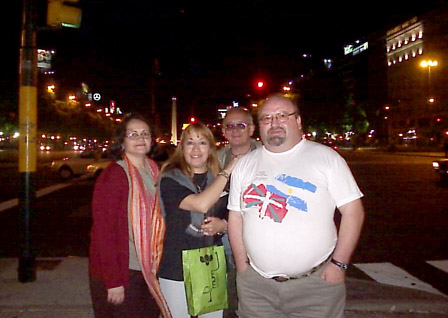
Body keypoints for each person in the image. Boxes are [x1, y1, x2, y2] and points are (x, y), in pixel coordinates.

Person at [227, 94, 365, 318]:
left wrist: (339, 265)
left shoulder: (326, 158)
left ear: (298, 121)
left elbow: (353, 212)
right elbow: (236, 217)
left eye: (282, 116)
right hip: (256, 287)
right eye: (267, 118)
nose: (274, 123)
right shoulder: (245, 165)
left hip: (315, 287)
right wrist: (243, 267)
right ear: (259, 126)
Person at [89, 113, 171, 318]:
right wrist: (113, 281)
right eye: (132, 134)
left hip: (150, 268)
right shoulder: (115, 175)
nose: (140, 138)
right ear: (122, 141)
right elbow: (103, 232)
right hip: (125, 271)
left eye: (145, 133)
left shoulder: (155, 170)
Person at [158, 123, 238, 318]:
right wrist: (227, 171)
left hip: (211, 263)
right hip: (176, 265)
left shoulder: (216, 179)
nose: (195, 149)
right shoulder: (170, 179)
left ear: (210, 148)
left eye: (202, 143)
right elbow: (200, 204)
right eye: (189, 142)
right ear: (182, 147)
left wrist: (224, 226)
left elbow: (236, 216)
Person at [217, 107, 260, 318]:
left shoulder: (268, 156)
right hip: (223, 241)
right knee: (227, 297)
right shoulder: (213, 159)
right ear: (223, 131)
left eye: (240, 125)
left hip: (258, 241)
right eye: (230, 126)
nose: (235, 130)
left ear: (251, 129)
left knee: (255, 299)